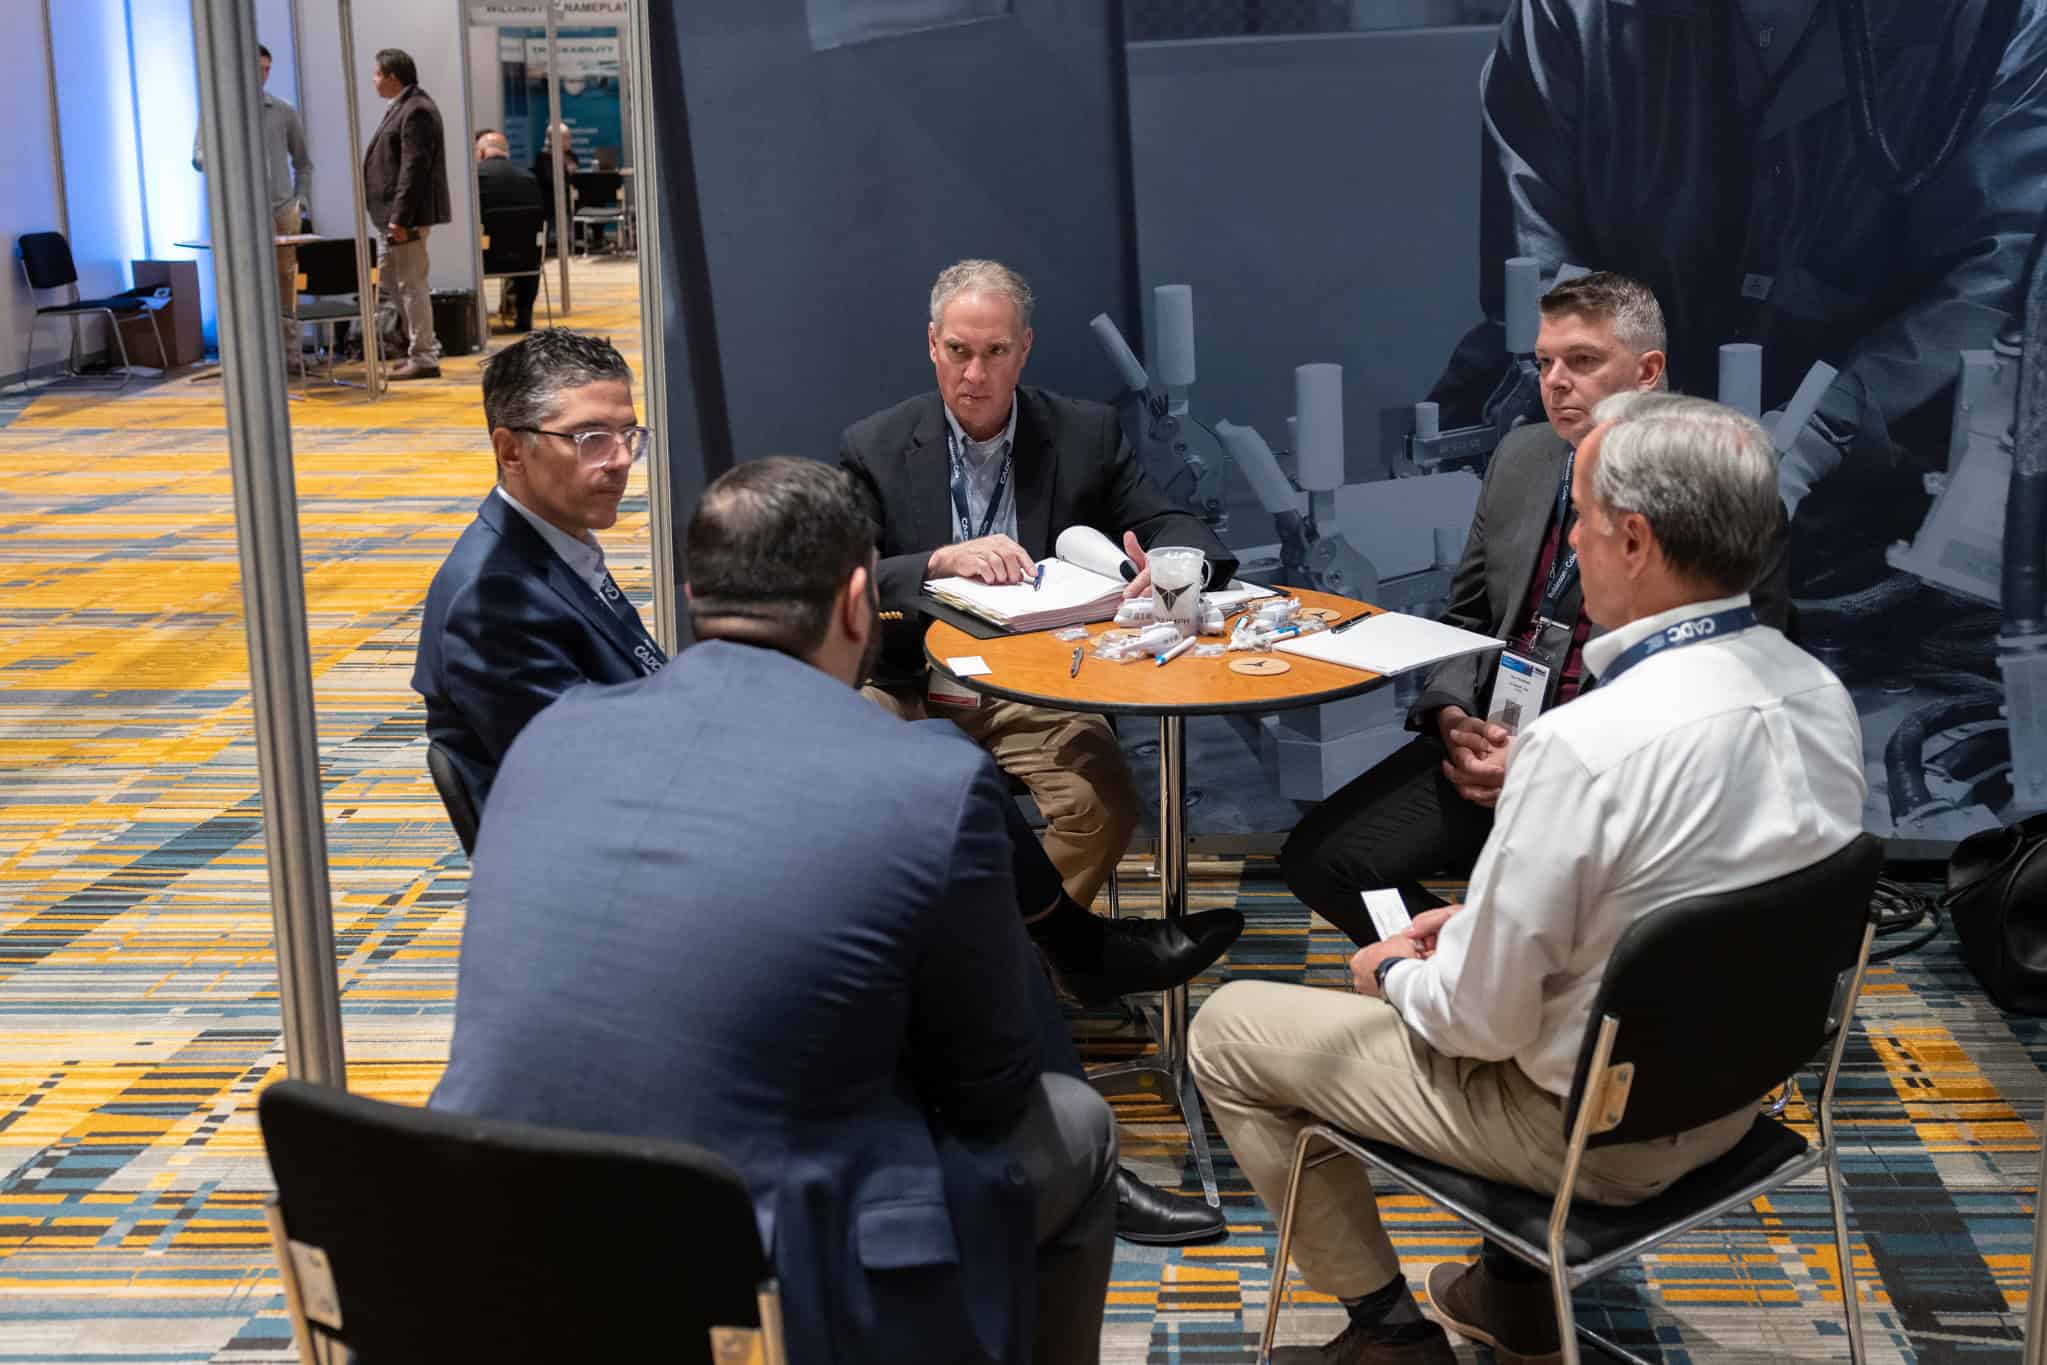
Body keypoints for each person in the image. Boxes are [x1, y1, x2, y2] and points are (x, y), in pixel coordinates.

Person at [1189, 392, 1867, 1364]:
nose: (1572, 543)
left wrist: (1393, 970)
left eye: (1581, 518)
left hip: (1587, 1134)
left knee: (1227, 1032)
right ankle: (1506, 1300)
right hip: (1738, 1098)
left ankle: (1389, 1338)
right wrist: (1474, 922)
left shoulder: (1582, 743)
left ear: (1633, 540)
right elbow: (1686, 899)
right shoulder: (1818, 695)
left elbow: (1477, 1026)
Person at [433, 457, 1121, 1364]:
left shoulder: (550, 734)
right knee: (1078, 1127)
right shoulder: (929, 781)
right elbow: (988, 1091)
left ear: (693, 599)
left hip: (476, 1244)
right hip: (748, 1277)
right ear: (857, 605)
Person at [1281, 273, 1791, 945]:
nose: (1554, 382)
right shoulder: (1521, 456)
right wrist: (1451, 713)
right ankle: (1460, 968)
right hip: (1488, 740)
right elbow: (1466, 615)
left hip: (1614, 778)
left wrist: (1544, 761)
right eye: (1543, 361)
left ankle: (1498, 973)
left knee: (1568, 919)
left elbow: (1724, 691)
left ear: (1647, 372)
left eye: (1581, 360)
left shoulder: (1720, 494)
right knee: (1321, 860)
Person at [1428, 0, 2047, 519]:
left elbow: (2003, 269)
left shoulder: (1994, 22)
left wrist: (1824, 427)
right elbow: (1536, 263)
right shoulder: (1574, 16)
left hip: (1882, 491)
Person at [841, 259, 1242, 921]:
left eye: (995, 352)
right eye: (958, 351)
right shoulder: (874, 445)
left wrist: (1174, 568)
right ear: (932, 344)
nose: (975, 375)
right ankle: (954, 956)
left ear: (1024, 348)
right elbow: (845, 574)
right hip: (907, 680)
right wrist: (938, 560)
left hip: (1040, 682)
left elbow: (1172, 522)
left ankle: (1012, 956)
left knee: (1101, 808)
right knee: (849, 796)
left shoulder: (1084, 434)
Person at [413, 330, 664, 809]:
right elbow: (589, 776)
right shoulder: (492, 601)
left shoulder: (559, 548)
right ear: (511, 452)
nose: (621, 460)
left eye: (628, 435)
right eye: (591, 439)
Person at [192, 43, 311, 361]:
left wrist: (301, 200)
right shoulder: (218, 109)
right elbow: (198, 156)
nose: (263, 75)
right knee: (244, 280)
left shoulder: (283, 110)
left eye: (267, 69)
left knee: (285, 279)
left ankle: (290, 353)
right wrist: (227, 159)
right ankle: (250, 357)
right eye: (258, 68)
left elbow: (303, 162)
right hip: (241, 210)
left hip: (282, 209)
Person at [363, 47, 450, 380]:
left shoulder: (417, 110)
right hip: (392, 217)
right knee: (392, 281)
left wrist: (400, 216)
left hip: (404, 218)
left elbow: (414, 167)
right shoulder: (404, 107)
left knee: (411, 284)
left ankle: (425, 356)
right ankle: (421, 344)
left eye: (377, 74)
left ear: (392, 77)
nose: (373, 81)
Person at [475, 131, 543, 332]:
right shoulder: (529, 179)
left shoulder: (476, 178)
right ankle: (524, 316)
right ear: (507, 152)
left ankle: (478, 320)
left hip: (485, 260)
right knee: (527, 246)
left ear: (481, 153)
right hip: (527, 262)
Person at [531, 121, 580, 255]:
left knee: (590, 200)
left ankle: (581, 243)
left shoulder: (572, 155)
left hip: (569, 196)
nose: (569, 140)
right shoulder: (543, 156)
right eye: (566, 137)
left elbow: (576, 176)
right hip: (550, 198)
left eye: (569, 137)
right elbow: (550, 180)